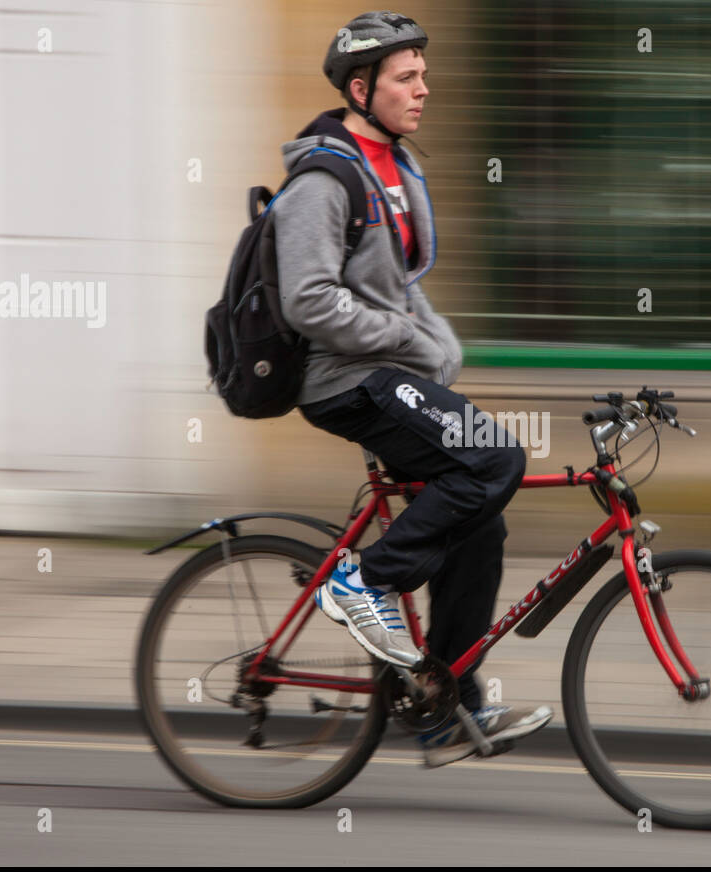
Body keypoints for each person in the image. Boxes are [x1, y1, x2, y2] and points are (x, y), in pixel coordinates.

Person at [272, 11, 552, 768]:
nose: (424, 88)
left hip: (386, 373)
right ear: (362, 89)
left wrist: (438, 343)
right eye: (407, 76)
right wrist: (406, 341)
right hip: (343, 380)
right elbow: (308, 300)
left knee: (481, 518)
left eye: (424, 73)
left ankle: (441, 702)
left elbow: (400, 289)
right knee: (494, 460)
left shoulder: (392, 169)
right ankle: (361, 583)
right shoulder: (324, 178)